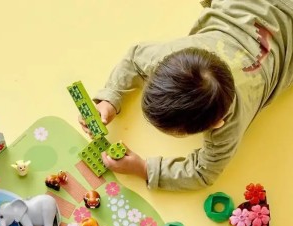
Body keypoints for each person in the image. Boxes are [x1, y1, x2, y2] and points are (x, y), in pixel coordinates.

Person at [80, 0, 293, 190]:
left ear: (217, 123)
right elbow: (135, 58)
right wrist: (110, 98)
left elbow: (203, 173)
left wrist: (144, 169)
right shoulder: (170, 57)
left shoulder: (231, 122)